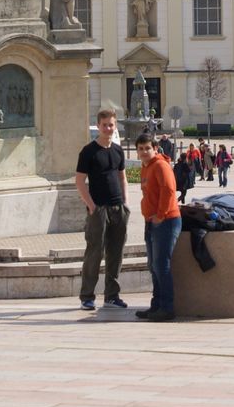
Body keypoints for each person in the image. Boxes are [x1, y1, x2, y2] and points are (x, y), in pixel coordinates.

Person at [76, 108, 131, 312]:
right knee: (94, 252)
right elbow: (80, 181)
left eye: (111, 124)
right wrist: (91, 205)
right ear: (98, 126)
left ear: (115, 126)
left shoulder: (118, 150)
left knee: (116, 253)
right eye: (105, 125)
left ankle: (112, 295)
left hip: (118, 208)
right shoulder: (89, 151)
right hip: (98, 209)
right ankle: (87, 296)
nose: (108, 128)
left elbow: (122, 177)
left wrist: (125, 202)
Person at [135, 132, 180, 322]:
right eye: (141, 149)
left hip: (166, 221)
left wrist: (161, 215)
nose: (144, 152)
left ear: (155, 149)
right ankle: (156, 305)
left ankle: (167, 308)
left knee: (162, 265)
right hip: (151, 222)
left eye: (148, 148)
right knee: (154, 266)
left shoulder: (161, 165)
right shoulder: (145, 168)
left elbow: (169, 190)